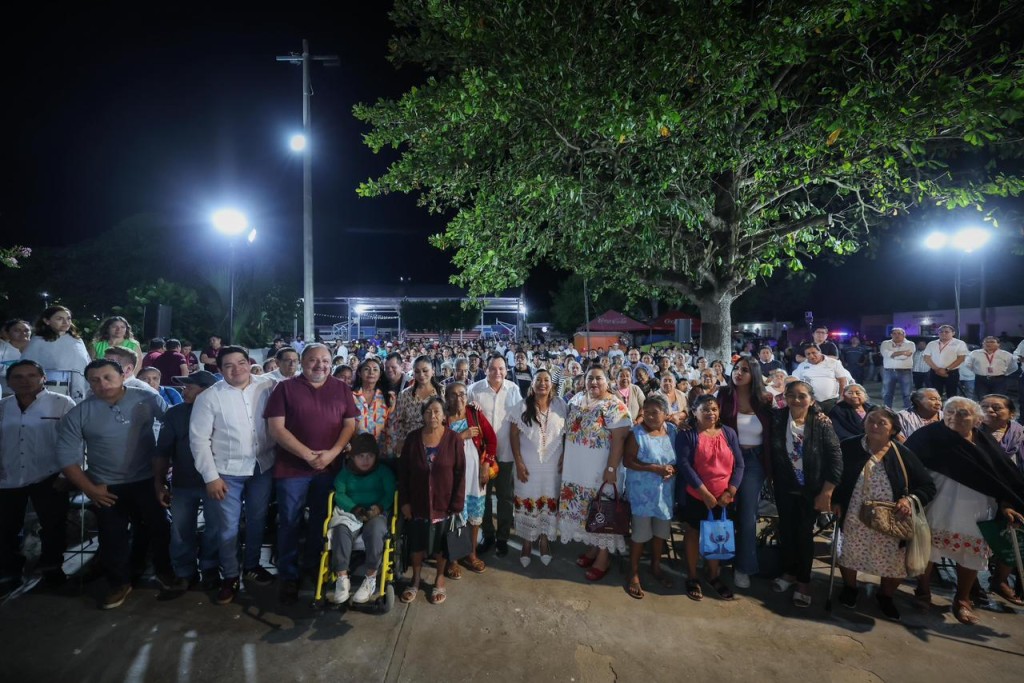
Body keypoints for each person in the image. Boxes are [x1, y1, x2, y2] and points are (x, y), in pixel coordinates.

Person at [56, 359, 170, 609]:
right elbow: (66, 457)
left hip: (146, 480)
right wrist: (90, 489)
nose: (102, 384)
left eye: (108, 377)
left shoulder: (148, 399)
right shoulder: (80, 412)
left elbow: (171, 430)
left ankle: (165, 572)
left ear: (122, 375)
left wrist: (164, 475)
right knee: (111, 536)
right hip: (105, 485)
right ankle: (119, 582)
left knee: (159, 527)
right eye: (94, 380)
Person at [906, 397, 1024, 624]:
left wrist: (1006, 503)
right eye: (949, 412)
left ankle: (962, 599)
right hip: (937, 503)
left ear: (976, 420)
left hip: (976, 509)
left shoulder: (985, 442)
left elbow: (1002, 478)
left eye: (962, 413)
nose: (954, 417)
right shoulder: (928, 435)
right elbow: (907, 465)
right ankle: (923, 591)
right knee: (927, 550)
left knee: (971, 554)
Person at [265, 343, 358, 603]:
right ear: (302, 362)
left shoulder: (341, 389)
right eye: (314, 360)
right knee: (290, 522)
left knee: (321, 521)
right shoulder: (285, 388)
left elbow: (350, 424)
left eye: (325, 361)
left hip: (329, 468)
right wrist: (307, 454)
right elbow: (276, 428)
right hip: (292, 469)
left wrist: (332, 453)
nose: (320, 365)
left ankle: (313, 566)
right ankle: (289, 574)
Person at [190, 346, 277, 604]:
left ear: (249, 363)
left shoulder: (268, 385)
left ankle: (251, 565)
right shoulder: (210, 397)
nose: (237, 369)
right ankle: (229, 575)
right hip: (226, 473)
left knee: (257, 520)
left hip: (262, 467)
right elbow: (198, 440)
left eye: (241, 362)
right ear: (219, 369)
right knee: (227, 527)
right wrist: (210, 477)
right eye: (229, 365)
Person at [832, 408, 936, 620]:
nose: (875, 426)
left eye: (882, 423)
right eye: (871, 421)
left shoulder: (902, 453)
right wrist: (835, 500)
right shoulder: (850, 446)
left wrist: (908, 500)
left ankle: (886, 596)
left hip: (892, 518)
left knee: (893, 558)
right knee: (849, 550)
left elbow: (927, 486)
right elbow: (836, 476)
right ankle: (850, 588)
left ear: (893, 429)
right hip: (854, 512)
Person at [0, 360, 76, 596]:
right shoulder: (3, 407)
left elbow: (74, 440)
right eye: (18, 377)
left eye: (31, 375)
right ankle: (10, 571)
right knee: (5, 527)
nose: (25, 381)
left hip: (49, 474)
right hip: (8, 475)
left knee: (53, 525)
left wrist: (67, 474)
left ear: (43, 377)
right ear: (9, 381)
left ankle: (52, 567)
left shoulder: (61, 403)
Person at [769, 380, 843, 607]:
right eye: (791, 395)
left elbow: (835, 458)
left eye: (802, 396)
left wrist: (827, 492)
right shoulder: (778, 418)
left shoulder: (821, 423)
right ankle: (789, 573)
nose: (797, 400)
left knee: (803, 534)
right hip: (785, 487)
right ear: (785, 397)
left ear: (811, 399)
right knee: (787, 531)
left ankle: (803, 581)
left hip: (812, 489)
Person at [558, 367, 631, 581]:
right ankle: (592, 548)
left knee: (602, 510)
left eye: (599, 378)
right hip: (577, 468)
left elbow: (619, 439)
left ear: (607, 382)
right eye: (590, 378)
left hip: (600, 471)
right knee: (586, 511)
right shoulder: (577, 399)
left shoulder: (615, 405)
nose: (594, 382)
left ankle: (603, 557)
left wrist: (611, 469)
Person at [153, 370, 220, 594]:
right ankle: (184, 572)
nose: (184, 390)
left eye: (190, 386)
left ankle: (210, 569)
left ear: (207, 390)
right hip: (183, 481)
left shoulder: (222, 411)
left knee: (214, 528)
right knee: (181, 530)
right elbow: (162, 451)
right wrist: (159, 482)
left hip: (216, 482)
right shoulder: (175, 414)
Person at [674, 395, 744, 600]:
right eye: (705, 409)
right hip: (697, 495)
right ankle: (692, 576)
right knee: (693, 532)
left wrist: (730, 491)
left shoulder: (728, 433)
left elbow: (739, 464)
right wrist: (704, 492)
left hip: (724, 497)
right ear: (694, 412)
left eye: (714, 409)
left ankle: (713, 575)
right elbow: (685, 465)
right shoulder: (687, 435)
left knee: (718, 534)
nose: (710, 413)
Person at [398, 398, 466, 605]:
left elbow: (460, 473)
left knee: (440, 545)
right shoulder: (412, 439)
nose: (433, 415)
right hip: (417, 502)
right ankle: (416, 579)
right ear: (422, 415)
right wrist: (405, 502)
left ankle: (439, 577)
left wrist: (456, 505)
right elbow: (403, 473)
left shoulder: (454, 439)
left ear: (444, 415)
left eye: (437, 411)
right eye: (428, 412)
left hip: (443, 504)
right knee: (417, 544)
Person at [716, 356, 772, 588]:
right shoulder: (724, 395)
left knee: (748, 515)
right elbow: (710, 419)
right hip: (726, 460)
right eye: (737, 369)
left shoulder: (765, 399)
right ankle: (718, 557)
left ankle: (744, 567)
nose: (738, 373)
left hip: (754, 462)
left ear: (754, 375)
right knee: (723, 508)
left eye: (745, 370)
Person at [327, 433, 396, 605]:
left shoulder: (384, 472)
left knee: (375, 530)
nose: (366, 460)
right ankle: (342, 578)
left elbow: (390, 494)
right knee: (340, 530)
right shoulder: (345, 472)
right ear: (353, 456)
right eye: (361, 456)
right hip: (350, 512)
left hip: (376, 512)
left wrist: (379, 507)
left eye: (370, 456)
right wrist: (354, 508)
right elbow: (339, 494)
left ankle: (370, 578)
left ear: (376, 456)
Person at [467, 354, 523, 558]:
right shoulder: (475, 390)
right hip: (482, 457)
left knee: (505, 497)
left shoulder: (513, 390)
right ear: (486, 368)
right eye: (493, 368)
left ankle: (503, 537)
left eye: (501, 369)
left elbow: (519, 421)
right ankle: (488, 535)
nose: (497, 372)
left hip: (506, 453)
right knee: (485, 497)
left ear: (506, 370)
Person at [509, 369, 565, 568]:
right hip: (528, 465)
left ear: (552, 384)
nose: (542, 383)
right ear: (532, 384)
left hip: (552, 466)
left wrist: (565, 455)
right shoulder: (522, 406)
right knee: (526, 501)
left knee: (547, 501)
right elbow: (514, 435)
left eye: (546, 380)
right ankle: (526, 543)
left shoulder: (560, 405)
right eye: (538, 380)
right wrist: (519, 462)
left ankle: (543, 541)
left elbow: (566, 434)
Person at [623, 395, 676, 599]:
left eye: (655, 412)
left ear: (665, 414)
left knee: (660, 532)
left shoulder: (672, 431)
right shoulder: (636, 433)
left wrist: (672, 470)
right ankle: (633, 571)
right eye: (646, 412)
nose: (650, 416)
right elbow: (628, 461)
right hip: (641, 493)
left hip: (665, 493)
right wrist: (653, 468)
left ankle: (656, 566)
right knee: (639, 534)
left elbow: (676, 459)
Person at [444, 381, 496, 576]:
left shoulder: (474, 414)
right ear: (447, 397)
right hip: (453, 477)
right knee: (455, 517)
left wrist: (486, 465)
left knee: (475, 517)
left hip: (475, 476)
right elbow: (438, 446)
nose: (459, 398)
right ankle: (454, 559)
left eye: (462, 394)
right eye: (454, 395)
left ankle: (471, 554)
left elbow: (491, 440)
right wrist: (461, 436)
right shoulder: (443, 419)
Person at [980, 394, 1024, 605]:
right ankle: (972, 583)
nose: (990, 411)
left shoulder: (1020, 435)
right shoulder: (970, 432)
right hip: (978, 491)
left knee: (1014, 528)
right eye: (985, 407)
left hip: (1013, 491)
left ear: (1011, 413)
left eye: (996, 408)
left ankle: (1000, 579)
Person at [21, 306, 91, 403]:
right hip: (51, 388)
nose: (66, 322)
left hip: (78, 387)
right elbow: (26, 366)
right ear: (47, 321)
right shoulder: (38, 341)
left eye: (68, 318)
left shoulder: (77, 340)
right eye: (59, 319)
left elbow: (86, 363)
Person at [793, 344, 850, 412]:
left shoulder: (834, 363)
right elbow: (794, 380)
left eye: (814, 353)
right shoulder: (802, 366)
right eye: (808, 354)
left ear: (820, 352)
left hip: (832, 401)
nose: (811, 356)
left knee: (833, 421)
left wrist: (842, 397)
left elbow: (842, 380)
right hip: (811, 401)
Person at [351, 357, 391, 454]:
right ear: (359, 373)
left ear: (380, 374)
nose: (371, 372)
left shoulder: (388, 397)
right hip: (356, 451)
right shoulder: (350, 396)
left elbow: (392, 425)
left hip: (382, 451)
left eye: (375, 369)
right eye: (366, 369)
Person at [923, 325, 967, 399]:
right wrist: (937, 369)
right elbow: (926, 357)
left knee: (952, 395)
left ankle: (950, 410)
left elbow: (961, 358)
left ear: (953, 333)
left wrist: (946, 370)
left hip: (951, 373)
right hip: (935, 372)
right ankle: (937, 410)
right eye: (941, 332)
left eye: (946, 332)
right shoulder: (932, 343)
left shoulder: (959, 343)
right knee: (935, 395)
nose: (943, 333)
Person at [880, 327, 915, 410]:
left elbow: (903, 357)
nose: (897, 335)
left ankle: (909, 412)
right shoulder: (885, 343)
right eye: (894, 333)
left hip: (905, 371)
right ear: (891, 335)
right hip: (889, 371)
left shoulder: (910, 344)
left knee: (907, 394)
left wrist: (892, 355)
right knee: (887, 393)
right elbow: (885, 354)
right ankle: (887, 412)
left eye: (899, 333)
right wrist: (903, 352)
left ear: (904, 335)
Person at [0, 319, 32, 397]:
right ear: (7, 333)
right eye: (17, 330)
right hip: (6, 393)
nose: (23, 333)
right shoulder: (2, 348)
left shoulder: (37, 347)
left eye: (26, 330)